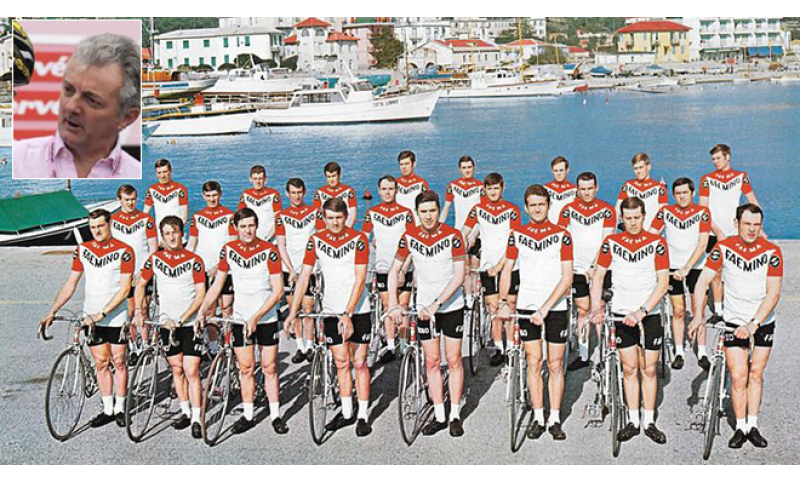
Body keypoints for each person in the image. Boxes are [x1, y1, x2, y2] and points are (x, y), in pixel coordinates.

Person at [689, 205, 783, 451]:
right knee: (739, 375)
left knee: (756, 374)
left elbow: (773, 294)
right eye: (747, 224)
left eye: (756, 225)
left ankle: (753, 425)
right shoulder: (723, 248)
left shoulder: (772, 252)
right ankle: (740, 427)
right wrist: (698, 315)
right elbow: (701, 282)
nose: (752, 229)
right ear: (736, 223)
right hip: (733, 321)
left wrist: (753, 324)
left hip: (761, 322)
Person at [287, 199, 374, 438]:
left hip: (358, 310)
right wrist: (293, 312)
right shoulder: (315, 240)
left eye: (338, 217)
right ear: (323, 218)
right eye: (330, 218)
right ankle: (347, 412)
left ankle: (363, 415)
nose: (335, 222)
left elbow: (360, 279)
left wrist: (348, 313)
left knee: (359, 362)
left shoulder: (359, 239)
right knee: (341, 362)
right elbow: (304, 277)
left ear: (346, 216)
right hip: (331, 311)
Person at [40, 210, 134, 429]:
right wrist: (52, 310)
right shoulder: (82, 250)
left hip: (115, 316)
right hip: (90, 315)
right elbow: (71, 283)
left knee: (119, 362)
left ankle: (120, 407)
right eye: (92, 227)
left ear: (110, 224)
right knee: (101, 362)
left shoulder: (125, 251)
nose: (97, 231)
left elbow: (124, 289)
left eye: (100, 226)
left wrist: (102, 314)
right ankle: (108, 409)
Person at [199, 208, 289, 436]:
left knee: (269, 367)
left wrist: (256, 317)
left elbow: (278, 291)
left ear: (256, 226)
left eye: (251, 226)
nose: (247, 231)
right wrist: (202, 311)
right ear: (236, 228)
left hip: (266, 318)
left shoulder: (269, 251)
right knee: (246, 368)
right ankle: (248, 415)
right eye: (243, 227)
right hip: (240, 319)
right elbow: (217, 285)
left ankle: (276, 415)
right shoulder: (228, 250)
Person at [591, 197, 670, 445]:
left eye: (637, 218)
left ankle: (649, 422)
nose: (633, 222)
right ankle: (633, 420)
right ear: (622, 219)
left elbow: (663, 283)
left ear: (644, 216)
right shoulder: (611, 243)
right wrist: (596, 307)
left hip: (649, 315)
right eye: (628, 218)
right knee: (629, 369)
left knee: (649, 369)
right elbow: (598, 276)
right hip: (621, 315)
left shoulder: (657, 243)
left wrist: (642, 312)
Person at [388, 191, 467, 438]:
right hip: (424, 310)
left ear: (439, 210)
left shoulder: (453, 236)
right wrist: (393, 302)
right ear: (417, 213)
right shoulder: (409, 237)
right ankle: (440, 415)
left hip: (451, 307)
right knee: (432, 361)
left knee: (453, 360)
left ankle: (455, 415)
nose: (429, 216)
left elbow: (459, 275)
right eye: (424, 212)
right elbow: (393, 270)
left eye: (433, 210)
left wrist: (437, 303)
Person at [498, 185, 574, 441]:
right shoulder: (516, 235)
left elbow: (567, 277)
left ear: (549, 205)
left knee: (555, 364)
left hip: (555, 308)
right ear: (526, 207)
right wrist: (503, 301)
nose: (538, 209)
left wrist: (545, 308)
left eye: (541, 204)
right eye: (533, 205)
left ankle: (555, 418)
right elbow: (507, 269)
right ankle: (538, 417)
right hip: (527, 306)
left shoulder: (563, 235)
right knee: (533, 362)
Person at [13, 32, 141, 180]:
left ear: (126, 118)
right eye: (69, 90)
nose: (71, 107)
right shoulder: (16, 161)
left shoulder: (137, 175)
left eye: (91, 100)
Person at [134, 216, 206, 440]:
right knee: (176, 369)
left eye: (175, 232)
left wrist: (183, 318)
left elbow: (201, 295)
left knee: (191, 370)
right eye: (167, 234)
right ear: (162, 237)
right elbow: (141, 285)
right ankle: (185, 411)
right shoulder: (154, 259)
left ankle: (197, 418)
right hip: (167, 324)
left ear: (182, 234)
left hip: (189, 324)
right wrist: (138, 311)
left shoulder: (195, 260)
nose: (172, 237)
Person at [649, 178, 712, 371]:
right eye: (678, 193)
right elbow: (651, 235)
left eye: (685, 192)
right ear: (673, 195)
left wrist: (687, 267)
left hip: (696, 267)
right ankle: (678, 352)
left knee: (698, 310)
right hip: (672, 268)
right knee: (678, 311)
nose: (682, 196)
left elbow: (703, 244)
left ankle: (702, 352)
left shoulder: (703, 212)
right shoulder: (665, 212)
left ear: (692, 193)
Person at [557, 173, 616, 372]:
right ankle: (583, 355)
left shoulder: (607, 210)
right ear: (577, 189)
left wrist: (594, 267)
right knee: (582, 310)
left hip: (601, 268)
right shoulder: (568, 210)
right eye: (583, 189)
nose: (587, 192)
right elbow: (560, 238)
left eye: (590, 188)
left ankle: (603, 354)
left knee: (599, 309)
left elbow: (606, 241)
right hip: (577, 269)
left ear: (596, 187)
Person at [462, 173, 522, 367]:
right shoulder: (477, 209)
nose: (493, 192)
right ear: (485, 190)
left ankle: (511, 346)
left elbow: (514, 241)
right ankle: (498, 348)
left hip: (510, 265)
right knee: (492, 308)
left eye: (496, 188)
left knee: (510, 307)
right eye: (489, 188)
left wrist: (501, 265)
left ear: (502, 188)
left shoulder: (513, 210)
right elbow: (463, 232)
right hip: (487, 265)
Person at [699, 144, 765, 317]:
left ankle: (740, 305)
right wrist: (717, 231)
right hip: (714, 234)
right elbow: (703, 209)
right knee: (716, 272)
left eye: (718, 158)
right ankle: (719, 311)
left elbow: (752, 201)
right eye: (713, 159)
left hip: (735, 232)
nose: (715, 162)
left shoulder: (741, 177)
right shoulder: (706, 179)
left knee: (738, 270)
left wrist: (760, 228)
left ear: (727, 157)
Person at [362, 176, 416, 363]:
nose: (387, 192)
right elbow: (363, 237)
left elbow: (412, 241)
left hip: (403, 267)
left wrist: (404, 269)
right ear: (379, 191)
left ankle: (404, 344)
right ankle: (391, 346)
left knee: (403, 306)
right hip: (383, 268)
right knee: (387, 306)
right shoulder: (372, 213)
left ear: (396, 190)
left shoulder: (406, 213)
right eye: (384, 189)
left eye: (391, 189)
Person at [275, 178, 325, 364]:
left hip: (310, 269)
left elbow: (321, 237)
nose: (296, 196)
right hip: (290, 270)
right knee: (293, 309)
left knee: (308, 308)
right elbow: (281, 245)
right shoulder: (281, 216)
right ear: (287, 194)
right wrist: (290, 270)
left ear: (304, 192)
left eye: (299, 192)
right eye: (293, 193)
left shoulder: (315, 212)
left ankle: (310, 345)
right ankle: (300, 346)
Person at [110, 185, 158, 365]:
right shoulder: (113, 221)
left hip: (143, 272)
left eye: (133, 199)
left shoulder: (146, 219)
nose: (130, 203)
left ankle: (145, 344)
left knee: (143, 308)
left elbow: (153, 248)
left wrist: (144, 271)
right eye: (126, 200)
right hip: (124, 274)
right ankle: (132, 344)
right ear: (119, 200)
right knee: (129, 311)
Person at [187, 181, 237, 319]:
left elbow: (233, 245)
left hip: (225, 269)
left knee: (226, 308)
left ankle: (227, 334)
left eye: (214, 195)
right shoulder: (197, 217)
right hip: (204, 268)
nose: (212, 199)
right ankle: (212, 333)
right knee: (209, 309)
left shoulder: (230, 216)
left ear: (220, 194)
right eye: (208, 196)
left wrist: (219, 266)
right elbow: (191, 244)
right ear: (203, 196)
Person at [615, 153, 668, 232]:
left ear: (648, 167)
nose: (638, 171)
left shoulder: (660, 188)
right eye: (635, 168)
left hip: (652, 234)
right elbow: (617, 212)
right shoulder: (628, 185)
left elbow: (662, 215)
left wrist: (651, 235)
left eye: (641, 167)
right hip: (631, 234)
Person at [143, 159, 189, 243]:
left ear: (171, 171)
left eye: (165, 172)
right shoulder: (152, 190)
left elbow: (184, 217)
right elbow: (145, 214)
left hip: (177, 238)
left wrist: (173, 233)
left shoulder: (180, 189)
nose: (162, 176)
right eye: (159, 173)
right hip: (160, 239)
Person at [238, 165, 283, 242]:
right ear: (250, 179)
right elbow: (240, 218)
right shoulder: (245, 194)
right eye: (255, 179)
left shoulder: (273, 194)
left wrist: (267, 238)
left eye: (260, 178)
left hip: (270, 240)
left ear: (265, 180)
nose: (258, 182)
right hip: (251, 240)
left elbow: (278, 219)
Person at [312, 162, 358, 229]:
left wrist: (347, 230)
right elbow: (317, 214)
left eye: (333, 176)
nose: (331, 180)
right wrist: (324, 230)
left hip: (345, 229)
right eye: (329, 177)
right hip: (326, 230)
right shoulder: (319, 192)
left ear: (339, 175)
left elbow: (352, 213)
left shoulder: (348, 191)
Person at [395, 150, 430, 225]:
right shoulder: (394, 184)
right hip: (398, 226)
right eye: (401, 164)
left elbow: (427, 207)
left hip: (416, 226)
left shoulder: (422, 184)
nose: (404, 167)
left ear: (414, 164)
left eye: (407, 164)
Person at [544, 156, 578, 225]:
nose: (558, 173)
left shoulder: (576, 190)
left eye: (561, 170)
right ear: (552, 171)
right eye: (556, 171)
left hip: (568, 228)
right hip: (549, 228)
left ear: (567, 170)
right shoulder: (544, 189)